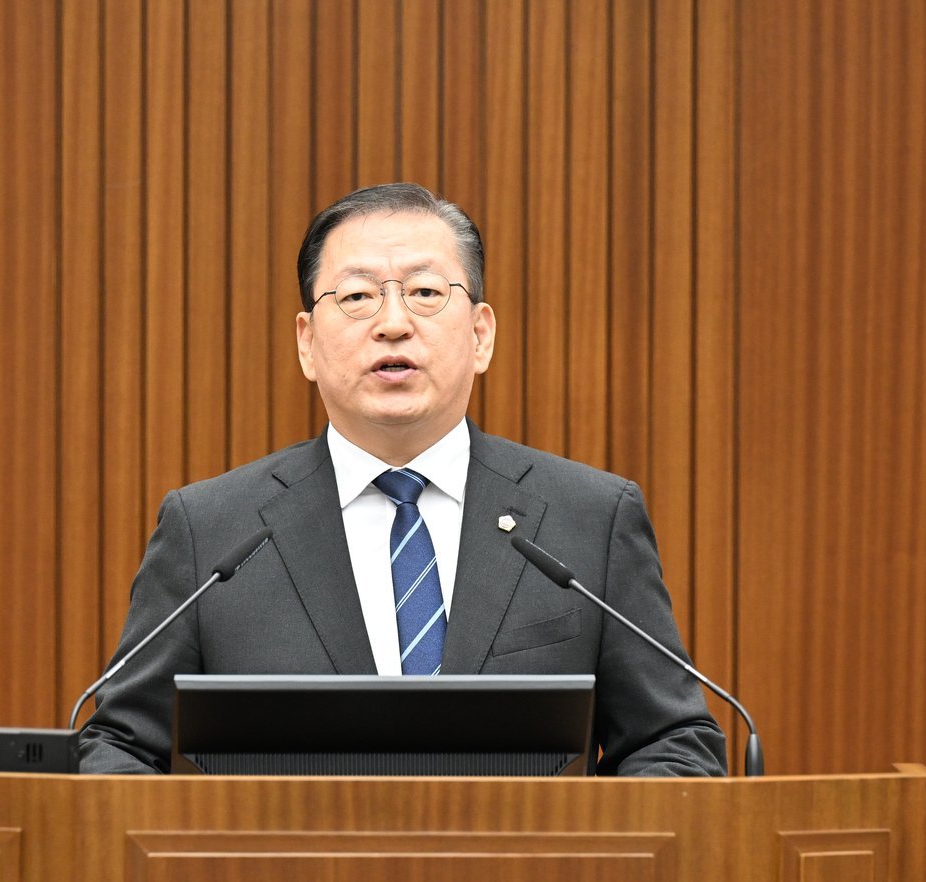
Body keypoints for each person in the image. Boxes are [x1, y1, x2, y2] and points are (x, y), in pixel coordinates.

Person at [79, 183, 727, 776]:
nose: (393, 322)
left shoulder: (589, 520)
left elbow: (673, 745)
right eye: (357, 296)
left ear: (481, 334)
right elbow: (119, 748)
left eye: (425, 292)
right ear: (307, 343)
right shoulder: (212, 533)